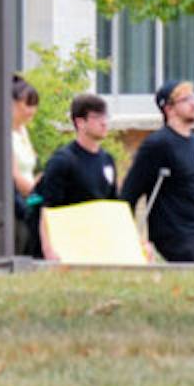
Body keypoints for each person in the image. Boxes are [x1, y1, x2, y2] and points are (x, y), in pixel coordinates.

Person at [119, 79, 194, 263]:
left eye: (193, 98)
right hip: (174, 234)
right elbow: (129, 193)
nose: (193, 104)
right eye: (185, 100)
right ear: (169, 109)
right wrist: (131, 240)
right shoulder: (158, 144)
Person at [33, 93, 119, 261]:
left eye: (105, 116)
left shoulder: (107, 160)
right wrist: (48, 247)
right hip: (68, 242)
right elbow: (48, 208)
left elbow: (113, 205)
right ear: (80, 122)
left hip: (97, 243)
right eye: (96, 117)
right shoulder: (62, 161)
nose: (104, 122)